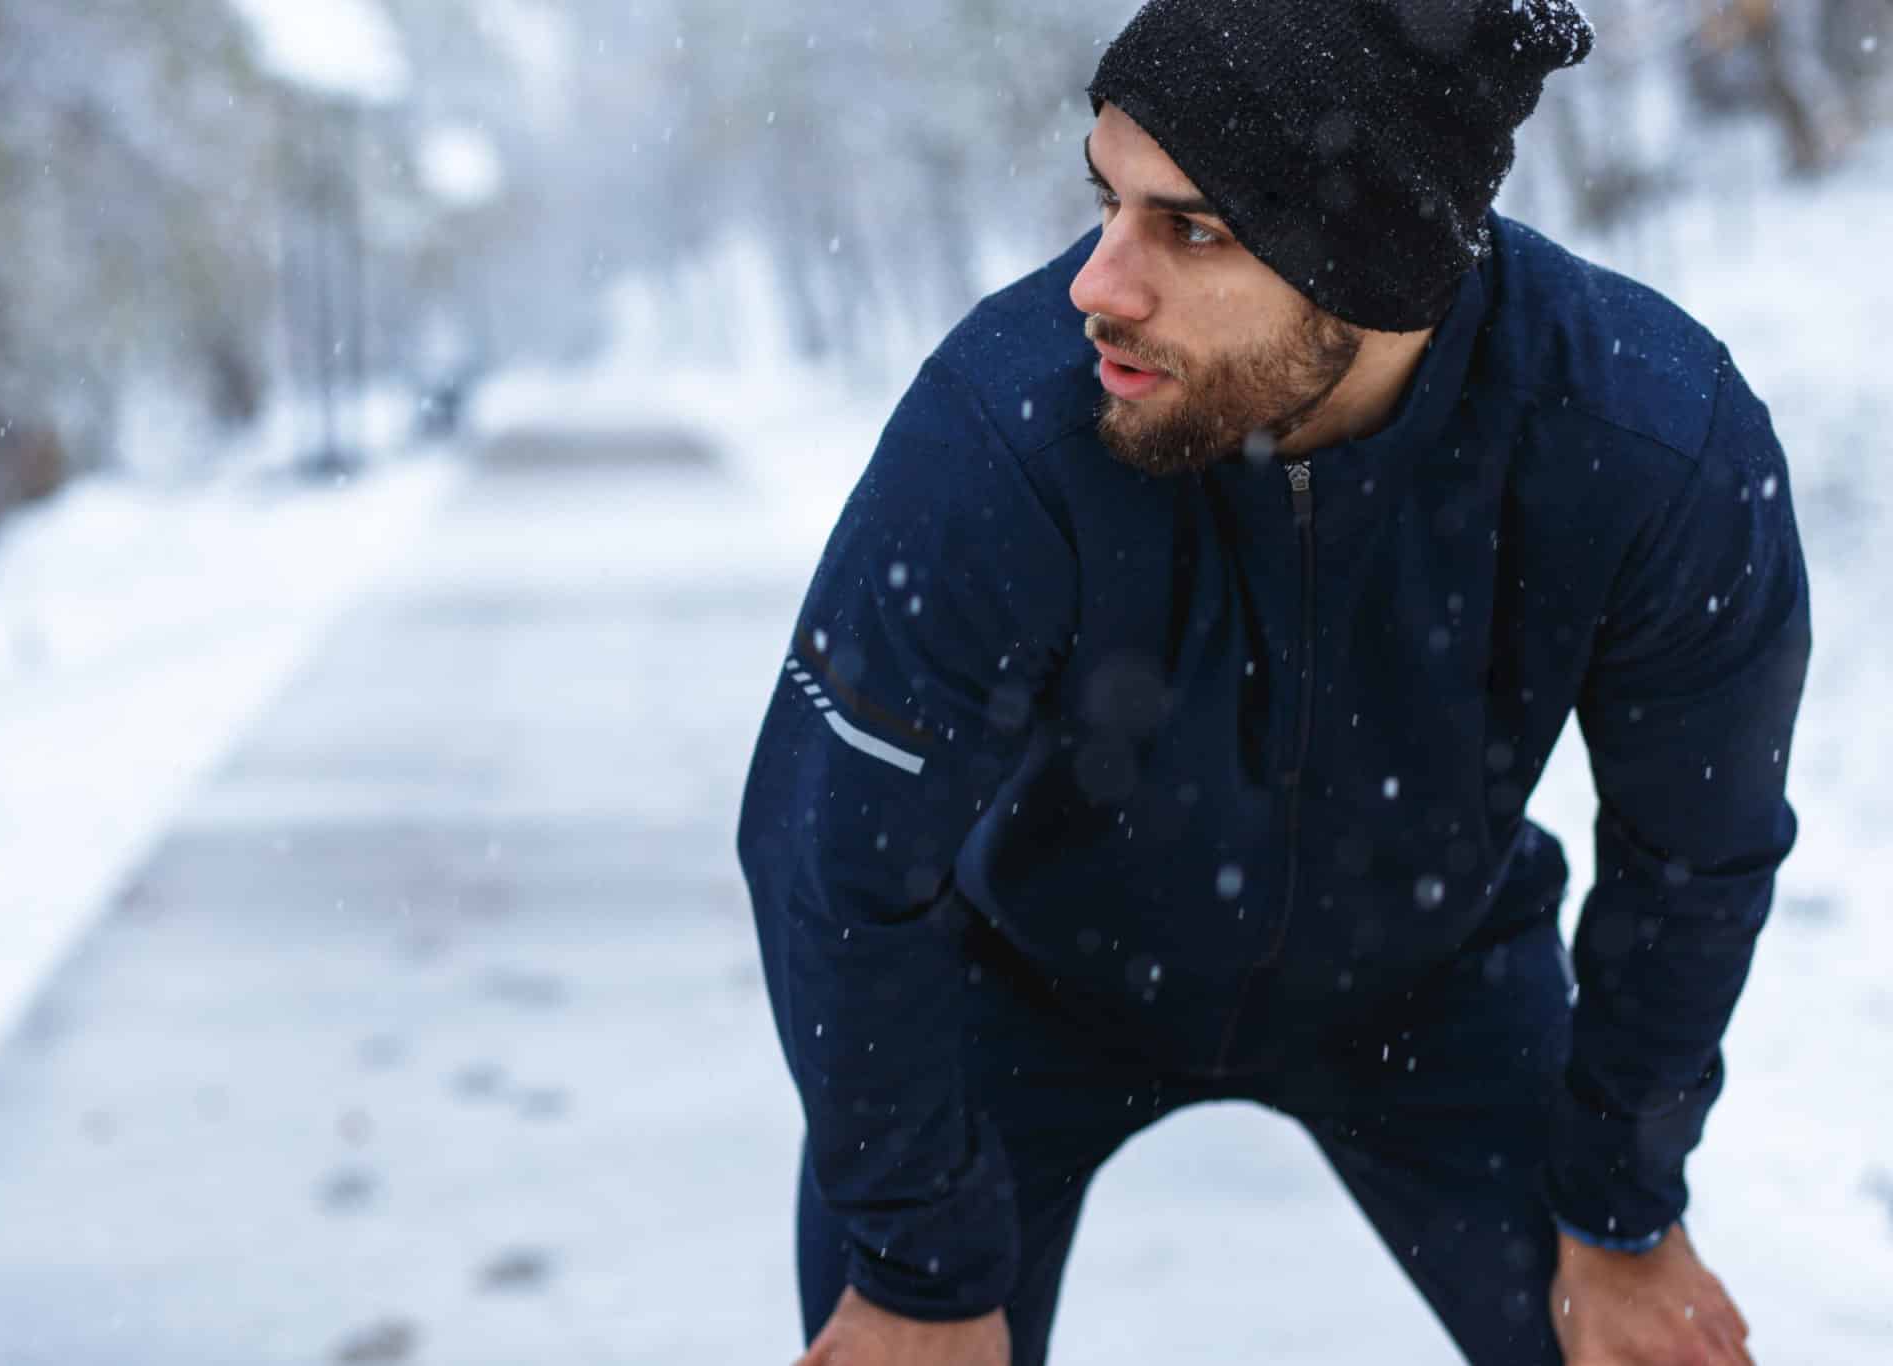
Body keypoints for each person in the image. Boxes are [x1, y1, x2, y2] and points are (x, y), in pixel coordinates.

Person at [734, 2, 1811, 1362]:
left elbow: (1696, 858)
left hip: (1436, 979)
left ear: (1375, 269)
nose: (1099, 284)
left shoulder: (1650, 439)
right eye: (1105, 197)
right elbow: (830, 860)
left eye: (1191, 230)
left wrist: (1624, 1204)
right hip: (1026, 992)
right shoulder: (1003, 432)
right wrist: (916, 1264)